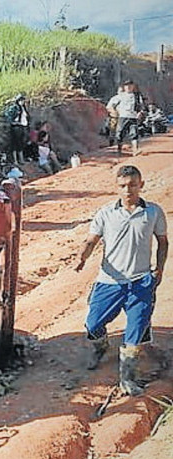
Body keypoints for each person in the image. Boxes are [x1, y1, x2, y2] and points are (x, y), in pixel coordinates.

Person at [74, 165, 167, 396]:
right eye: (123, 186)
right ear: (117, 187)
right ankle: (101, 346)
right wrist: (82, 256)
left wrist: (160, 270)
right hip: (110, 281)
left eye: (133, 185)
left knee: (134, 332)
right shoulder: (105, 213)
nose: (128, 190)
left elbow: (162, 242)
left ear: (141, 185)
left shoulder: (153, 212)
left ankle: (128, 379)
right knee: (93, 324)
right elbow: (91, 240)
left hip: (140, 282)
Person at [106, 80, 145, 156]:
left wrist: (140, 113)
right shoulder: (120, 96)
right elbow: (110, 105)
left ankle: (135, 150)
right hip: (122, 117)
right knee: (119, 133)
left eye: (130, 85)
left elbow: (141, 106)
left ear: (133, 86)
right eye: (127, 86)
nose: (128, 87)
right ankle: (119, 150)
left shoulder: (137, 96)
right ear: (124, 87)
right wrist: (114, 112)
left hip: (133, 117)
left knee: (134, 133)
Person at [5, 94, 30, 164]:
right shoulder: (15, 107)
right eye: (21, 100)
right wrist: (13, 122)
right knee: (16, 143)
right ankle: (16, 160)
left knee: (21, 143)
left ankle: (21, 159)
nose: (22, 101)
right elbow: (7, 115)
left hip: (22, 126)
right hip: (16, 127)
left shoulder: (23, 107)